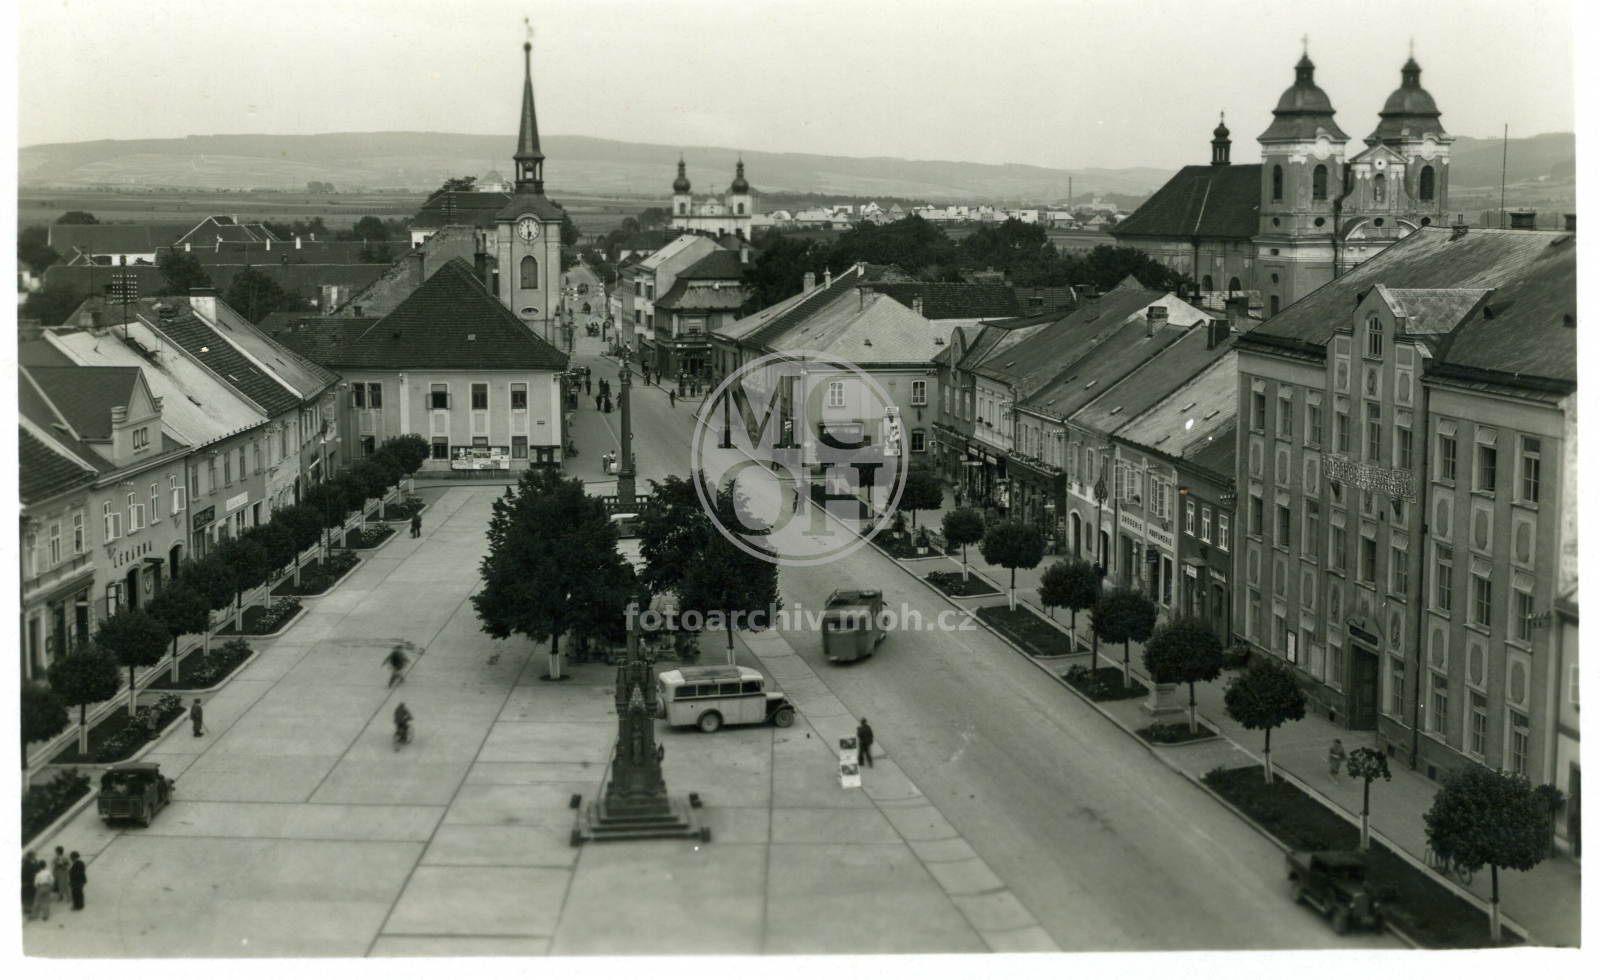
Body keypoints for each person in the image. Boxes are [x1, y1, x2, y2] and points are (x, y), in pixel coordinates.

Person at [23, 850, 39, 916]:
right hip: (31, 883)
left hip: (25, 883)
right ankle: (30, 909)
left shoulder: (24, 867)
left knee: (26, 897)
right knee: (31, 896)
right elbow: (37, 870)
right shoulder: (32, 866)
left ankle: (26, 908)